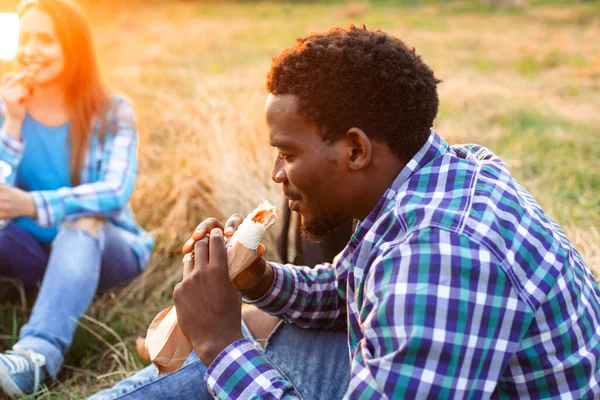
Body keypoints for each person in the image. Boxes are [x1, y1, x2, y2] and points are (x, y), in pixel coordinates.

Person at [93, 26, 600, 399]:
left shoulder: (441, 252)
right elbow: (354, 291)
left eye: (288, 153)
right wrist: (261, 280)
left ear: (355, 150)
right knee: (256, 336)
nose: (276, 173)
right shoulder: (438, 173)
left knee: (235, 351)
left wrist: (221, 343)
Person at [0, 0, 153, 398]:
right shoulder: (8, 105)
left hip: (105, 250)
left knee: (83, 218)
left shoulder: (112, 111)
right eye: (26, 38)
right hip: (32, 251)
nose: (32, 50)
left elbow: (113, 193)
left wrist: (33, 205)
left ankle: (35, 357)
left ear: (74, 48)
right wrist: (12, 123)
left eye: (46, 40)